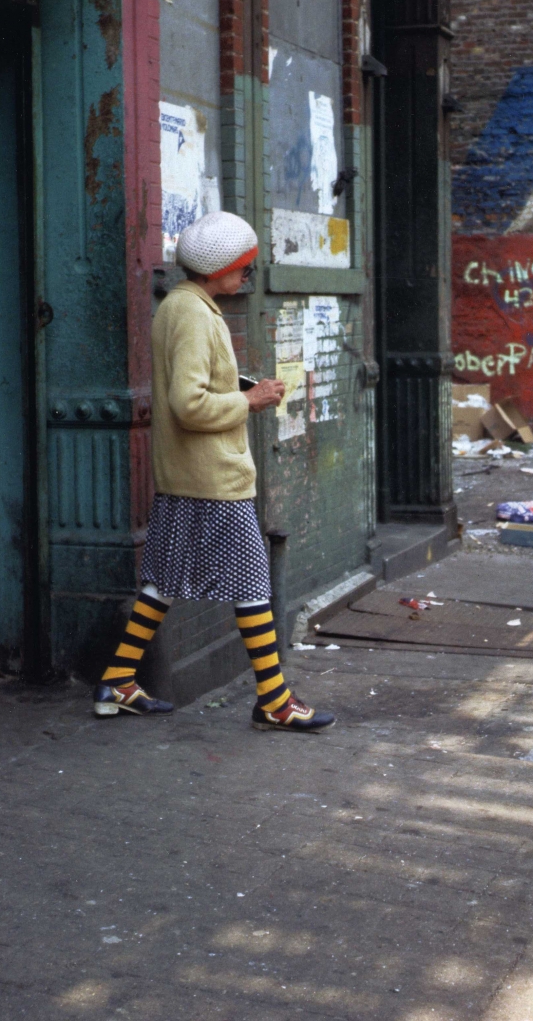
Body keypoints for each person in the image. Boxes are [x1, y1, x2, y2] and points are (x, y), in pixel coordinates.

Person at [93, 211, 335, 732]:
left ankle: (117, 680)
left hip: (184, 477)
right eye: (243, 270)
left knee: (162, 582)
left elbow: (190, 390)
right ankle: (274, 700)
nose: (246, 278)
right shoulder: (197, 316)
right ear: (219, 269)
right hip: (213, 479)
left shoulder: (178, 306)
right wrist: (250, 400)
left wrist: (239, 389)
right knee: (252, 585)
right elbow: (188, 404)